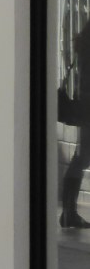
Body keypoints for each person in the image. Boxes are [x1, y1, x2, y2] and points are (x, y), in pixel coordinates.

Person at [61, 22, 90, 228]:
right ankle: (69, 212)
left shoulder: (84, 46)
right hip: (88, 109)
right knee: (81, 159)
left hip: (85, 109)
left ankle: (69, 212)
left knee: (81, 159)